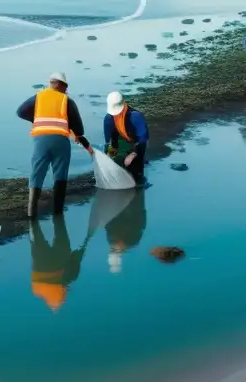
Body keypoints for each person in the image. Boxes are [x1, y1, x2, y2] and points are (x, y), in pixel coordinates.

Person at [16, 72, 90, 219]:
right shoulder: (66, 100)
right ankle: (57, 213)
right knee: (60, 175)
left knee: (37, 174)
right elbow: (80, 130)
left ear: (51, 83)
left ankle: (31, 214)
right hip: (60, 142)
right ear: (63, 85)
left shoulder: (38, 97)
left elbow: (20, 112)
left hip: (40, 141)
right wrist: (72, 130)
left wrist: (37, 119)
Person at [29, 216, 86, 312]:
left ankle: (58, 219)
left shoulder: (65, 283)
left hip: (56, 263)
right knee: (36, 235)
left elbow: (74, 264)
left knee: (61, 235)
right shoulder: (36, 290)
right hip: (39, 263)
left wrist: (80, 251)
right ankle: (33, 222)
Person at [103, 91, 150, 186]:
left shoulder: (135, 117)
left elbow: (143, 138)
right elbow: (109, 141)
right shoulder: (108, 119)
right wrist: (110, 154)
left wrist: (133, 154)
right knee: (114, 165)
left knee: (134, 173)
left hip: (136, 144)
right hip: (119, 143)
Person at [105, 188, 147, 274]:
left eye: (112, 250)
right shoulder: (132, 240)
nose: (113, 248)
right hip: (131, 205)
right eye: (114, 250)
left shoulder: (113, 238)